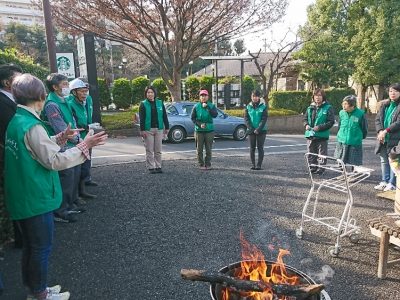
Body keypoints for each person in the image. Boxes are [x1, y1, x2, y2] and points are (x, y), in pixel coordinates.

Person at [4, 73, 107, 300]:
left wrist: (60, 138)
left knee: (31, 248)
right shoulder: (32, 125)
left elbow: (37, 150)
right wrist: (84, 145)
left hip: (23, 196)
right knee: (40, 248)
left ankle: (35, 288)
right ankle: (40, 293)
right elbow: (53, 161)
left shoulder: (18, 120)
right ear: (40, 96)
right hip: (35, 197)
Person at [42, 74, 82, 223]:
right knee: (66, 177)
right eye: (64, 84)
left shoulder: (63, 101)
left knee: (73, 176)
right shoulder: (52, 104)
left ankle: (69, 204)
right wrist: (78, 139)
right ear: (55, 87)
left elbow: (71, 121)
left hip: (71, 143)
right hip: (62, 146)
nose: (67, 87)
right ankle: (61, 210)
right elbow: (60, 127)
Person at [0, 63, 23, 248]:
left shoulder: (11, 100)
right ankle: (18, 235)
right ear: (7, 82)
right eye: (18, 79)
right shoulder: (2, 103)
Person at [68, 78, 96, 199]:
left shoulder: (87, 100)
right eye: (82, 91)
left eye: (86, 91)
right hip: (78, 137)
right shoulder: (70, 103)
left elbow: (88, 115)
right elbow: (72, 122)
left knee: (86, 161)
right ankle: (79, 193)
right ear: (74, 92)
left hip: (87, 135)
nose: (85, 94)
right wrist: (86, 127)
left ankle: (84, 184)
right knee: (79, 165)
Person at [374, 83, 400, 192]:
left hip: (394, 138)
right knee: (384, 160)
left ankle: (392, 183)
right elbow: (378, 120)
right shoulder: (385, 105)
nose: (392, 93)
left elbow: (398, 122)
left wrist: (385, 131)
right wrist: (380, 131)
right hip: (383, 137)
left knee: (393, 160)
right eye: (390, 91)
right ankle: (385, 181)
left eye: (395, 91)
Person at [303, 89, 335, 174]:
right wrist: (306, 125)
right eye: (316, 95)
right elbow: (305, 119)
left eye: (319, 95)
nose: (317, 97)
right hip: (310, 134)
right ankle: (312, 167)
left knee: (321, 153)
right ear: (313, 97)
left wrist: (320, 127)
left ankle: (321, 169)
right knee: (311, 152)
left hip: (322, 134)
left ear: (323, 97)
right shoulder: (310, 107)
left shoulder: (328, 107)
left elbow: (331, 122)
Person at [139, 86, 169, 173]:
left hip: (159, 129)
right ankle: (151, 167)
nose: (150, 94)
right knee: (149, 150)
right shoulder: (143, 104)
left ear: (154, 93)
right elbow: (142, 118)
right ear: (146, 94)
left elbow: (164, 116)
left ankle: (158, 166)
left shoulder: (160, 103)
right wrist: (142, 130)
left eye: (152, 92)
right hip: (148, 130)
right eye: (148, 92)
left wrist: (166, 127)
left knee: (158, 150)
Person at [334, 95, 368, 166]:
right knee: (340, 161)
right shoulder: (341, 113)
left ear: (352, 105)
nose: (343, 106)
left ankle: (354, 174)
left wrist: (360, 137)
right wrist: (339, 135)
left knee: (355, 162)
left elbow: (364, 127)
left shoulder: (360, 114)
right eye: (343, 104)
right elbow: (339, 125)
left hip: (354, 141)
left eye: (346, 104)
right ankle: (343, 174)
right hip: (342, 140)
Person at [191, 89, 218, 170]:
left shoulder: (211, 105)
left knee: (208, 149)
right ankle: (201, 164)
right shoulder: (196, 106)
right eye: (202, 96)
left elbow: (215, 115)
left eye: (205, 95)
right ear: (200, 97)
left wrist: (208, 107)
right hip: (199, 131)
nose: (203, 97)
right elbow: (192, 118)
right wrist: (199, 124)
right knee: (199, 149)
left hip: (209, 130)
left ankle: (208, 164)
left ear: (208, 97)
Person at [244, 90, 268, 170]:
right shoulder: (248, 106)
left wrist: (258, 129)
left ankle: (259, 165)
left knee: (260, 147)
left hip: (261, 130)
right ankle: (253, 164)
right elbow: (246, 118)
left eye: (256, 96)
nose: (255, 98)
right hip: (251, 130)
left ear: (259, 97)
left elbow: (264, 119)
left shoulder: (263, 106)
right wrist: (251, 128)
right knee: (252, 148)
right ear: (251, 97)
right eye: (253, 96)